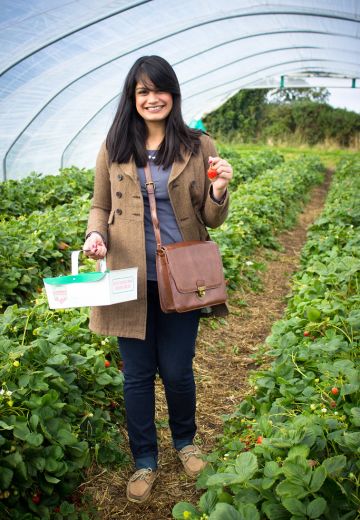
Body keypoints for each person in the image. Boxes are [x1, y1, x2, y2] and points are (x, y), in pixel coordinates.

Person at [83, 55, 233, 503]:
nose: (152, 98)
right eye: (143, 91)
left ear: (173, 93)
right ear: (133, 97)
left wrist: (220, 190)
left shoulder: (197, 144)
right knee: (137, 375)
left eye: (159, 89)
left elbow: (212, 217)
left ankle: (185, 443)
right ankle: (145, 460)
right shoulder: (114, 145)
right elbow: (99, 203)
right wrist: (95, 234)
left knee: (177, 370)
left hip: (183, 275)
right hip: (128, 277)